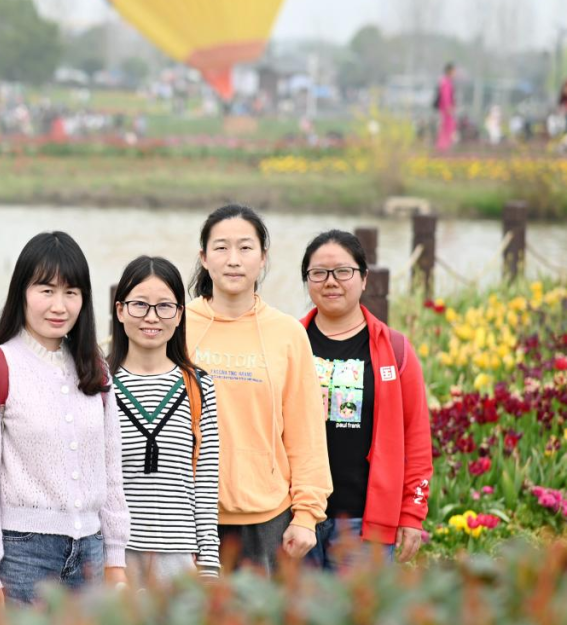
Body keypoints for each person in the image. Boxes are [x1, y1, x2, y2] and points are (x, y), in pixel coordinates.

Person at [0, 231, 130, 606]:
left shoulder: (96, 369)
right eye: (46, 290)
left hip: (91, 556)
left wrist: (115, 556)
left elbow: (110, 471)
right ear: (22, 291)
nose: (59, 306)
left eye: (71, 292)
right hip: (23, 557)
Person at [184, 204, 331, 576]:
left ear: (263, 258)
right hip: (186, 515)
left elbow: (306, 433)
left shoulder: (287, 333)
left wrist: (306, 515)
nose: (233, 259)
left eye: (245, 248)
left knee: (260, 614)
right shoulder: (177, 325)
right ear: (204, 257)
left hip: (266, 519)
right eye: (221, 248)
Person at [298, 230, 433, 572]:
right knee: (295, 608)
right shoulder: (287, 342)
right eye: (319, 273)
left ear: (363, 278)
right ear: (307, 280)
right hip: (295, 518)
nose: (331, 281)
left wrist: (412, 514)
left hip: (363, 525)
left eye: (343, 271)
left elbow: (416, 438)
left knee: (358, 609)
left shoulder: (395, 349)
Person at [108, 256, 220, 585]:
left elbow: (205, 485)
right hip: (115, 558)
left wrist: (209, 568)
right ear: (120, 310)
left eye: (165, 307)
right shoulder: (99, 385)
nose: (152, 317)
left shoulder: (199, 386)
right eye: (140, 305)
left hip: (179, 561)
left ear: (180, 314)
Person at [436, 63, 456, 151]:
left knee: (447, 127)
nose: (455, 73)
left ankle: (444, 146)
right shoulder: (446, 83)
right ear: (449, 71)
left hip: (445, 110)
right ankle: (443, 147)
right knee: (447, 128)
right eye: (453, 71)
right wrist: (448, 107)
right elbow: (445, 96)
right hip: (446, 110)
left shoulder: (446, 82)